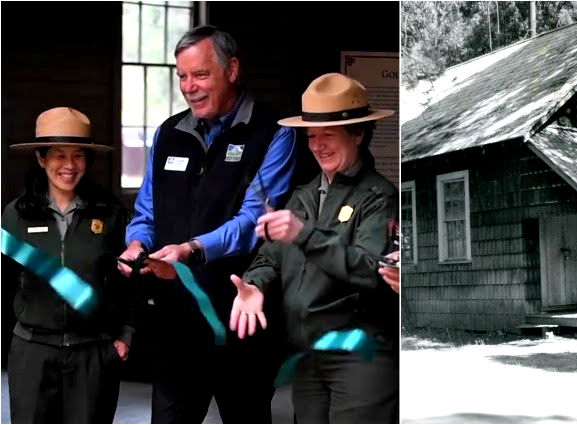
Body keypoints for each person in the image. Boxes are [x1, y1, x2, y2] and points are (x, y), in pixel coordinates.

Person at [117, 25, 296, 423]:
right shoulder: (168, 134)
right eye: (181, 76)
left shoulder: (274, 132)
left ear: (232, 70)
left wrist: (191, 249)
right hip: (175, 323)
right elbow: (146, 212)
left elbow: (255, 221)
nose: (189, 87)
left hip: (240, 318)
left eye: (200, 74)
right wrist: (135, 244)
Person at [230, 72, 399, 423]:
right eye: (311, 136)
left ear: (359, 133)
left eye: (328, 135)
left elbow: (371, 268)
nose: (318, 145)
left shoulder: (378, 196)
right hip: (306, 355)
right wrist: (255, 284)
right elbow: (270, 257)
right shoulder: (303, 196)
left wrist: (304, 234)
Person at [2, 107, 134, 423]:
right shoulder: (16, 215)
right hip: (33, 352)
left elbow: (129, 280)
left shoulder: (110, 213)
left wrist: (125, 334)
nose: (69, 165)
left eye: (78, 155)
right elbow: (4, 280)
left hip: (94, 352)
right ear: (41, 158)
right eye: (59, 155)